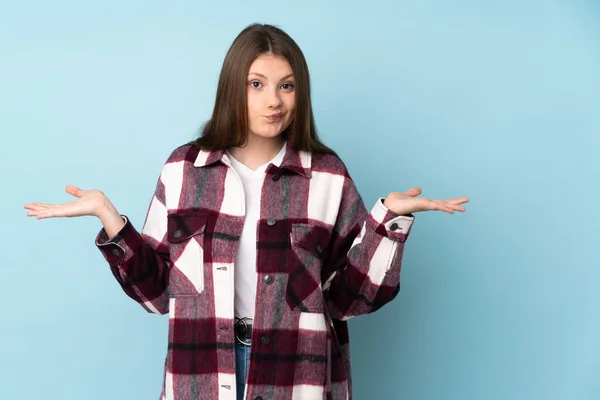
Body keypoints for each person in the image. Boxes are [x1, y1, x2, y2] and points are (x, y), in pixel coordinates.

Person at [24, 23, 468, 400]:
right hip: (200, 372)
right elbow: (158, 295)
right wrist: (109, 217)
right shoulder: (185, 169)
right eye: (256, 84)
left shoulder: (328, 175)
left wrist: (388, 219)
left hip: (298, 373)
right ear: (233, 87)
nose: (273, 101)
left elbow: (347, 300)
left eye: (286, 85)